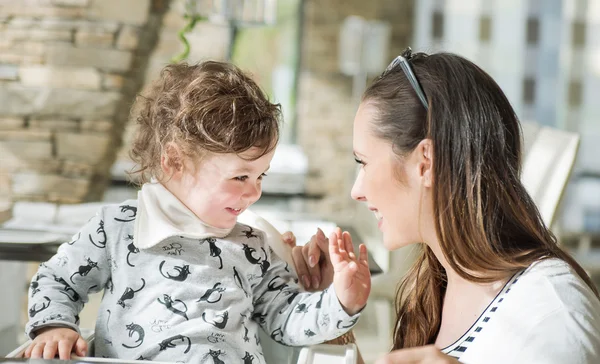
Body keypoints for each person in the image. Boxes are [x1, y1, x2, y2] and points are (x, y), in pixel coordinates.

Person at [23, 61, 371, 362]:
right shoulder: (117, 228)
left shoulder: (252, 246)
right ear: (174, 161)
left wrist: (340, 302)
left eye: (260, 175)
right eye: (239, 176)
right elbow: (56, 280)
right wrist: (55, 326)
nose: (254, 191)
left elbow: (286, 319)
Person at [291, 48, 600, 364]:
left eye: (364, 162)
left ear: (425, 161)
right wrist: (330, 306)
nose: (357, 191)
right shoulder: (437, 282)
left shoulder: (552, 316)